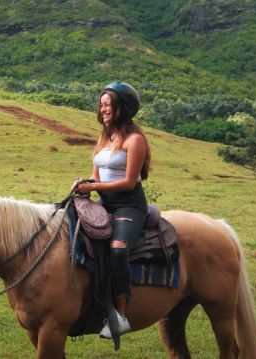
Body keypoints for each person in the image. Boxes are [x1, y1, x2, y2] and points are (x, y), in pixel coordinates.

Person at [74, 82, 151, 340]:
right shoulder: (104, 138)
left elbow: (130, 181)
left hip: (129, 205)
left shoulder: (135, 140)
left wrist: (95, 185)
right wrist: (86, 185)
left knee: (118, 249)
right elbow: (97, 176)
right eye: (102, 104)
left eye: (109, 104)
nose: (103, 108)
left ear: (123, 108)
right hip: (105, 203)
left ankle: (121, 315)